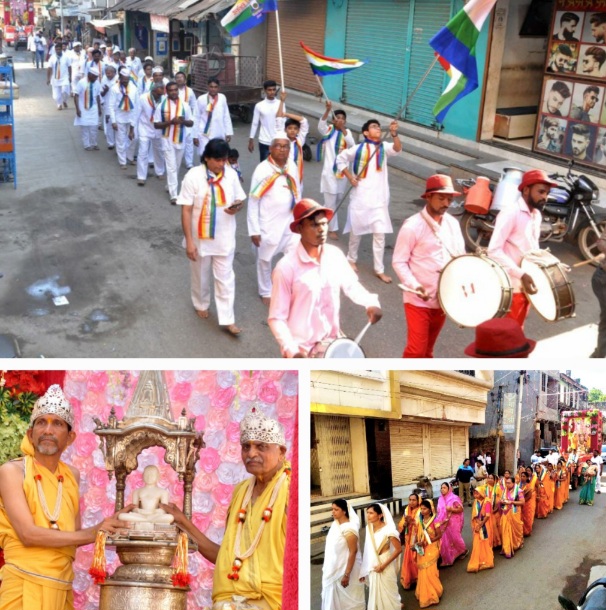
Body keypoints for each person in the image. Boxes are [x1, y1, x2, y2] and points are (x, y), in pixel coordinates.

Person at [0, 385, 124, 609]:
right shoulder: (12, 472)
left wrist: (111, 527)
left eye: (57, 423)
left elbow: (72, 536)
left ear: (70, 438)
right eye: (41, 422)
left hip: (61, 587)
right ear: (30, 434)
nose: (48, 430)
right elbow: (28, 534)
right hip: (22, 585)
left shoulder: (71, 476)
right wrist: (94, 532)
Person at [160, 407, 291, 610]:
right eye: (246, 447)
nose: (251, 453)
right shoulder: (241, 492)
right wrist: (183, 523)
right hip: (227, 602)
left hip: (271, 602)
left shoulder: (291, 490)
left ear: (281, 452)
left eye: (261, 446)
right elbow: (227, 557)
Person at [268, 199, 382, 358]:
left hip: (332, 344)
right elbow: (277, 318)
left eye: (324, 223)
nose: (321, 229)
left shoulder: (335, 255)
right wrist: (292, 351)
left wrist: (370, 302)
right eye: (314, 225)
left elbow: (351, 285)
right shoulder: (285, 268)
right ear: (300, 228)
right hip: (302, 351)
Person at [178, 138, 246, 336]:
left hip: (224, 238)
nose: (221, 164)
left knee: (225, 278)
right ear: (207, 158)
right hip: (200, 239)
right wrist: (189, 242)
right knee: (200, 274)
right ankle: (201, 303)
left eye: (224, 160)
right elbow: (186, 210)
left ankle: (228, 319)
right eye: (217, 160)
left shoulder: (230, 174)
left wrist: (236, 207)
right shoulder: (193, 176)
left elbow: (240, 199)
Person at [393, 174, 464, 357]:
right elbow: (399, 261)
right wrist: (414, 285)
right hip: (418, 300)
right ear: (429, 197)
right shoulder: (412, 226)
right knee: (416, 350)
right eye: (441, 198)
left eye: (449, 199)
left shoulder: (453, 224)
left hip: (443, 299)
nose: (446, 203)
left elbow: (460, 257)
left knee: (428, 350)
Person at [488, 169, 558, 328]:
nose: (545, 197)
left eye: (547, 193)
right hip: (510, 286)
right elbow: (493, 250)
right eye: (541, 192)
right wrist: (521, 274)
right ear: (526, 190)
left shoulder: (536, 215)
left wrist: (551, 263)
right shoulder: (510, 213)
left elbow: (532, 250)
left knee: (517, 331)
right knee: (507, 334)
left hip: (526, 286)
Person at [338, 119, 402, 284]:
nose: (378, 128)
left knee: (380, 235)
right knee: (356, 232)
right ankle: (351, 259)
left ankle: (379, 269)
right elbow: (340, 159)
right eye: (374, 127)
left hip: (379, 200)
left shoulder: (384, 147)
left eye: (379, 127)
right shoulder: (358, 149)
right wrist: (350, 177)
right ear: (366, 132)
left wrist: (394, 134)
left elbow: (397, 148)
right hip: (361, 198)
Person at [247, 132, 300, 304]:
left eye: (285, 146)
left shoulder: (292, 166)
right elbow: (253, 201)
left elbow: (297, 191)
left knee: (294, 255)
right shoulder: (262, 169)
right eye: (278, 146)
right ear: (270, 149)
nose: (282, 150)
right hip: (268, 223)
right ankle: (265, 290)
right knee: (265, 258)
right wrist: (254, 230)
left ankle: (288, 285)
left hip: (290, 222)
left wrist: (301, 218)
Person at [317, 100, 355, 240]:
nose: (340, 120)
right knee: (331, 202)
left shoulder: (347, 132)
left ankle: (319, 214)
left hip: (342, 173)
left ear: (345, 121)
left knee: (337, 199)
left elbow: (352, 144)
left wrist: (343, 129)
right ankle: (332, 229)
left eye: (342, 119)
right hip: (329, 173)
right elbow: (320, 126)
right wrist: (327, 110)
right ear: (333, 120)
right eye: (337, 118)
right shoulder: (328, 131)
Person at [153, 81, 194, 204]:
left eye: (175, 90)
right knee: (171, 167)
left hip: (180, 140)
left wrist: (182, 121)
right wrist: (171, 122)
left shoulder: (185, 106)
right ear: (167, 92)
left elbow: (191, 122)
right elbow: (156, 125)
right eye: (171, 90)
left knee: (176, 166)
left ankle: (169, 185)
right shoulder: (161, 106)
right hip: (167, 140)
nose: (174, 92)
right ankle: (174, 195)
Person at [321, 499, 365, 610]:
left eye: (336, 509)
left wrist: (346, 574)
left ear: (344, 511)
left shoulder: (349, 529)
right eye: (332, 509)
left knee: (349, 600)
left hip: (347, 570)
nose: (333, 512)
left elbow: (353, 551)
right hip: (333, 570)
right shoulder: (335, 525)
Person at [359, 503, 401, 610]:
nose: (368, 515)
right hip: (373, 564)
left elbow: (398, 550)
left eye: (371, 513)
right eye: (367, 513)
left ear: (380, 515)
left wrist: (383, 566)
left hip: (385, 562)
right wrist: (364, 570)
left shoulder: (389, 530)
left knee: (389, 591)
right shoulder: (369, 528)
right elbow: (368, 550)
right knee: (375, 592)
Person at [276, 90, 309, 191]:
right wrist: (282, 101)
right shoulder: (282, 138)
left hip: (297, 174)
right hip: (284, 173)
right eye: (290, 128)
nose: (292, 131)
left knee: (297, 194)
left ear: (298, 130)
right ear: (285, 130)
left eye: (295, 129)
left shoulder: (300, 140)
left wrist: (287, 114)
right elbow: (278, 118)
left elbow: (304, 121)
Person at [413, 499, 443, 609]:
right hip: (422, 548)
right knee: (422, 571)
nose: (422, 511)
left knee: (429, 570)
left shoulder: (435, 520)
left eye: (424, 509)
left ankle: (433, 592)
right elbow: (417, 534)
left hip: (431, 547)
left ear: (430, 510)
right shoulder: (420, 521)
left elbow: (439, 535)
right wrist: (415, 544)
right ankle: (423, 592)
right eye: (421, 509)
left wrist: (427, 542)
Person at [135, 82, 166, 185]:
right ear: (153, 91)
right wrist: (133, 128)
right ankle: (141, 176)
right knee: (143, 152)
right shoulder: (143, 98)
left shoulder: (164, 99)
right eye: (157, 94)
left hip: (158, 128)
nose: (159, 96)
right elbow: (137, 113)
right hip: (144, 127)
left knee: (159, 151)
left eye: (161, 94)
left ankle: (160, 171)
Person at [109, 67, 140, 170]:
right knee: (120, 140)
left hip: (131, 117)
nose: (126, 81)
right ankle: (122, 161)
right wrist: (113, 121)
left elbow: (137, 106)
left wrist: (134, 123)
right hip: (119, 118)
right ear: (120, 77)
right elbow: (111, 106)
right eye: (124, 79)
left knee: (134, 138)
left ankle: (130, 156)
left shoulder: (134, 88)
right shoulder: (114, 88)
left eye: (127, 79)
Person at [194, 78, 233, 156]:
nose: (213, 89)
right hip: (204, 134)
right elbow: (196, 117)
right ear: (207, 87)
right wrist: (195, 136)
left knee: (217, 156)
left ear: (219, 88)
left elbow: (226, 115)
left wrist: (228, 132)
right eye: (211, 87)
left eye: (215, 87)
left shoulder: (222, 98)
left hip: (219, 132)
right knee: (204, 155)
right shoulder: (201, 99)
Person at [249, 80, 281, 162]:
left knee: (277, 165)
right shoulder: (259, 106)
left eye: (274, 89)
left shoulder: (281, 104)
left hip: (277, 141)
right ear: (264, 90)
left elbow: (282, 122)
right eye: (269, 90)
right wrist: (251, 139)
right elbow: (255, 123)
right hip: (264, 141)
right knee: (264, 165)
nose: (272, 92)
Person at [435, 482, 467, 566]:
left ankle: (463, 550)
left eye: (444, 488)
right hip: (443, 522)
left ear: (449, 489)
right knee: (445, 539)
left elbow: (461, 509)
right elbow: (439, 511)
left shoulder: (454, 498)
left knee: (455, 537)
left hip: (454, 521)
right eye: (441, 488)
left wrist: (451, 509)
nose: (442, 489)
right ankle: (449, 555)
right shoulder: (440, 499)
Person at [73, 66, 102, 151]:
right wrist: (77, 109)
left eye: (96, 77)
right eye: (94, 77)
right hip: (83, 108)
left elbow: (98, 96)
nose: (95, 79)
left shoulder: (97, 83)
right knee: (84, 128)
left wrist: (99, 108)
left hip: (93, 108)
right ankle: (86, 145)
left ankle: (94, 143)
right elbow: (76, 95)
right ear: (89, 75)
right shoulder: (81, 82)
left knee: (94, 127)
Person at [466, 486, 493, 573]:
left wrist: (480, 524)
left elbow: (487, 515)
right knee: (477, 542)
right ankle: (478, 560)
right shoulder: (475, 502)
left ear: (481, 493)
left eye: (477, 492)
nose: (475, 494)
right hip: (477, 524)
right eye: (474, 492)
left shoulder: (487, 502)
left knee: (485, 541)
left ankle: (487, 561)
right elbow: (474, 515)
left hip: (485, 525)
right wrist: (477, 523)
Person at [397, 493, 420, 590]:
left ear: (418, 501)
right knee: (408, 558)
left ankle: (418, 578)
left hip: (417, 539)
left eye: (414, 500)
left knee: (416, 558)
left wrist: (413, 522)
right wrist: (405, 523)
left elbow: (423, 525)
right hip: (408, 538)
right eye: (410, 500)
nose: (411, 502)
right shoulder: (407, 510)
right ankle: (409, 578)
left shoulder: (421, 510)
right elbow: (401, 524)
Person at [175, 71, 197, 169]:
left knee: (189, 141)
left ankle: (189, 162)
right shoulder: (173, 90)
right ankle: (175, 160)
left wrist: (193, 118)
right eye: (177, 77)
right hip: (175, 118)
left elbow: (194, 106)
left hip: (187, 118)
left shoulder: (190, 91)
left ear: (185, 80)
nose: (179, 79)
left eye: (181, 77)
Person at [499, 478, 524, 558]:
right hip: (505, 512)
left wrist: (512, 502)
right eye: (506, 483)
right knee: (505, 530)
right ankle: (507, 549)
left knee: (516, 529)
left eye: (509, 483)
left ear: (513, 483)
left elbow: (522, 502)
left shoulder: (519, 491)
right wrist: (502, 501)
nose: (507, 484)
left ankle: (517, 543)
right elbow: (501, 499)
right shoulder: (504, 490)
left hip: (514, 512)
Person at [47, 42, 72, 110]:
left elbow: (69, 66)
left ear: (61, 49)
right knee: (56, 95)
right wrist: (48, 78)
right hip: (55, 78)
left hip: (64, 77)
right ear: (55, 50)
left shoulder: (66, 57)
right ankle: (59, 104)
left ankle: (64, 100)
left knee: (65, 91)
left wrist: (70, 76)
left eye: (59, 49)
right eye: (57, 49)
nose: (58, 51)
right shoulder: (52, 58)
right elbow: (49, 68)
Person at [100, 64, 118, 150]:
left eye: (110, 73)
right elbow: (101, 93)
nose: (108, 75)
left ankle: (118, 142)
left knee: (117, 124)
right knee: (109, 123)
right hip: (107, 104)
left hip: (117, 105)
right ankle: (110, 143)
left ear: (114, 73)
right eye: (107, 73)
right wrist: (105, 90)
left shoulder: (118, 79)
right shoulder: (104, 79)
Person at [484, 474, 502, 548]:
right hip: (487, 511)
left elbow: (501, 499)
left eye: (492, 478)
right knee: (489, 526)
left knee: (496, 526)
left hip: (496, 510)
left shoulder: (498, 488)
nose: (490, 480)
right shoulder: (484, 488)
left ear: (495, 480)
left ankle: (498, 542)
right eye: (489, 478)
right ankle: (491, 542)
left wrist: (496, 508)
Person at [519, 470, 536, 537]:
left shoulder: (528, 486)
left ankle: (527, 531)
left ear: (527, 477)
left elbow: (529, 496)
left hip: (526, 504)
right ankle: (521, 531)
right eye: (521, 476)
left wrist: (522, 502)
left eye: (524, 476)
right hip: (519, 504)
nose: (522, 477)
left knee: (526, 518)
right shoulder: (518, 485)